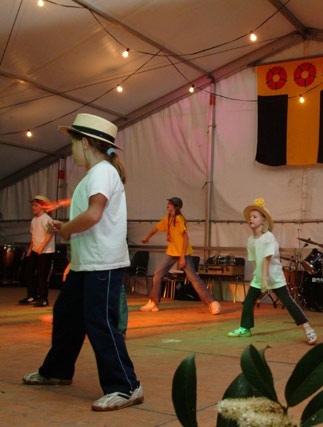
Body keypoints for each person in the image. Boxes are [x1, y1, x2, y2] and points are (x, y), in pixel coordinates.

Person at [23, 113, 143, 411]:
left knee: (100, 322)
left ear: (86, 143)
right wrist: (63, 226)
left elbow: (93, 214)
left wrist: (65, 228)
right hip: (86, 263)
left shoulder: (102, 171)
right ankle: (57, 371)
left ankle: (126, 386)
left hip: (102, 263)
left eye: (73, 142)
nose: (72, 149)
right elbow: (89, 217)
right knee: (67, 316)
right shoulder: (96, 173)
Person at [227, 198, 317, 345]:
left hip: (274, 277)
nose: (251, 219)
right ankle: (245, 328)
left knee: (288, 302)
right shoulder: (250, 240)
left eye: (255, 216)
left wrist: (265, 281)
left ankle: (308, 329)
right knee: (248, 302)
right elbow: (256, 261)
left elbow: (266, 260)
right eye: (250, 217)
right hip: (259, 276)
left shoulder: (269, 237)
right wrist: (258, 278)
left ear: (263, 220)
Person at [140, 197, 222, 315]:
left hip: (183, 252)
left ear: (176, 207)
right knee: (158, 274)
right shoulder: (167, 218)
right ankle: (153, 302)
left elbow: (185, 238)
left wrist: (182, 257)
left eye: (171, 204)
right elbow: (156, 228)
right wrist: (147, 238)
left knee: (193, 278)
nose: (168, 205)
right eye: (168, 203)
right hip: (172, 252)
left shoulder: (179, 219)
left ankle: (212, 303)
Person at [18, 195, 56, 307]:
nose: (33, 207)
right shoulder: (34, 220)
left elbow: (50, 234)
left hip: (46, 252)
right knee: (29, 272)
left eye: (36, 205)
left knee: (41, 275)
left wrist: (41, 247)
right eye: (33, 205)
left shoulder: (47, 219)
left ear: (43, 207)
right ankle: (32, 296)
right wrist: (30, 249)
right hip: (35, 250)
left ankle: (43, 298)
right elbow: (34, 236)